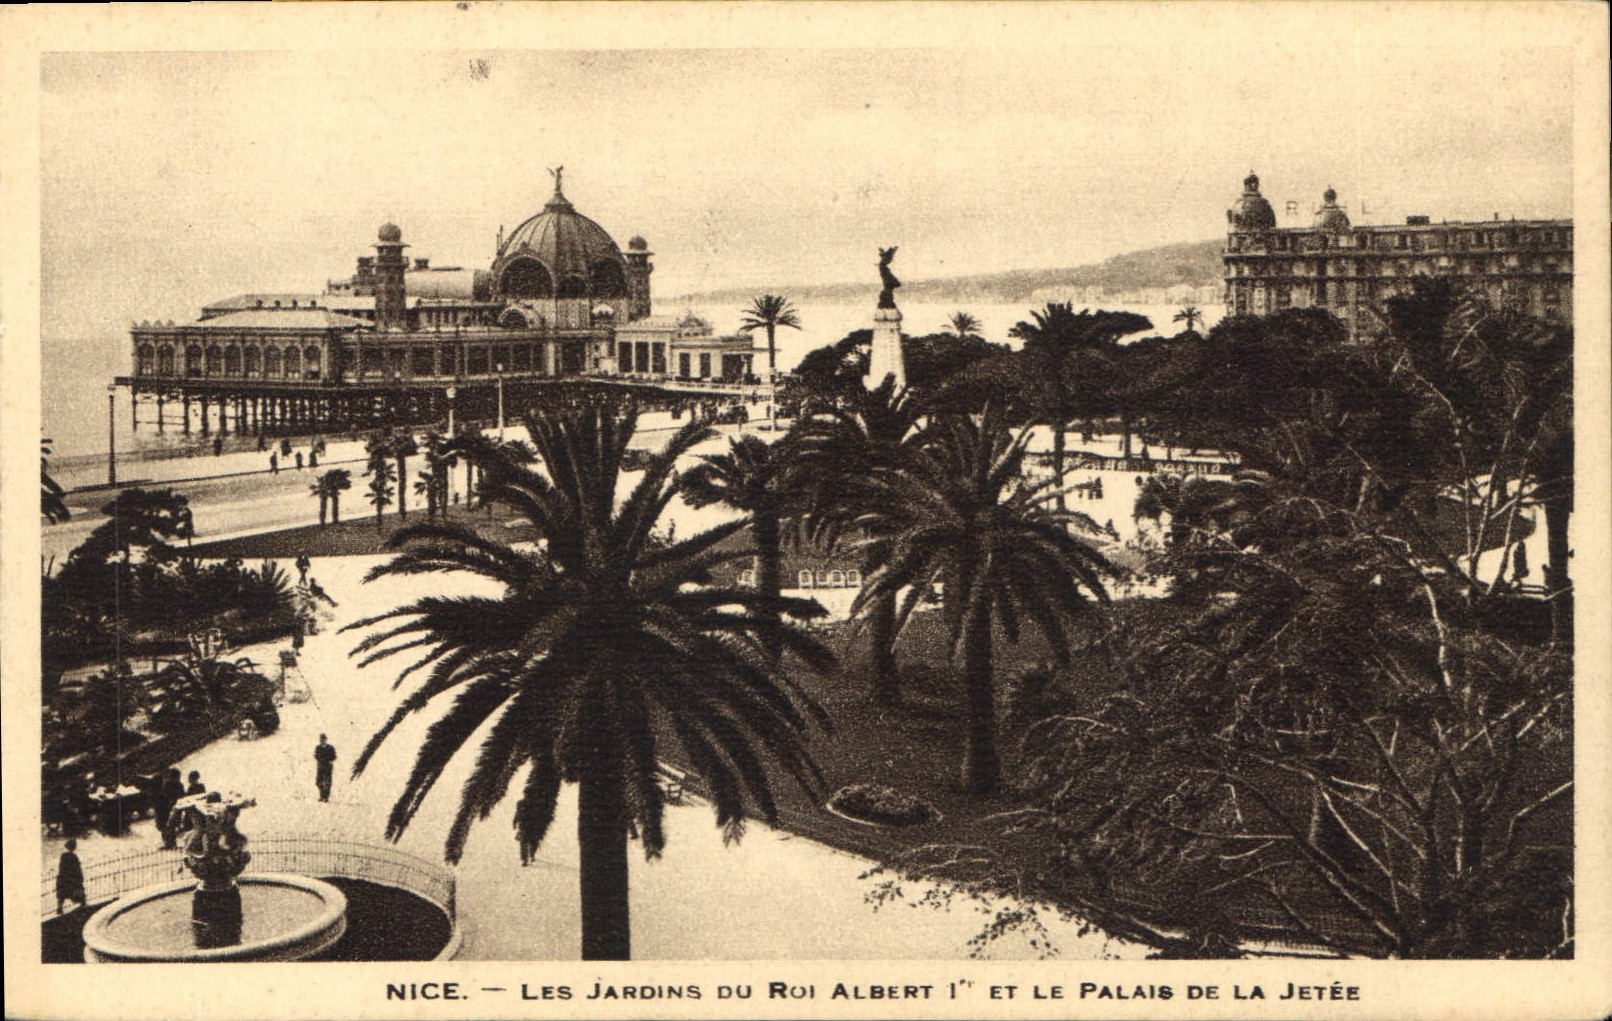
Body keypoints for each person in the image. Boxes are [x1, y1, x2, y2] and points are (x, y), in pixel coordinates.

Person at [156, 767, 185, 849]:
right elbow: (182, 796)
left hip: (167, 808)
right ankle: (171, 843)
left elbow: (163, 796)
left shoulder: (167, 784)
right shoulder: (179, 785)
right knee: (170, 826)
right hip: (175, 808)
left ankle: (169, 843)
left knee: (167, 826)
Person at [57, 839, 88, 914]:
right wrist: (80, 877)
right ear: (74, 847)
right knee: (78, 889)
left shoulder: (63, 855)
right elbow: (77, 868)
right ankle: (83, 903)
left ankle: (59, 907)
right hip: (72, 878)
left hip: (64, 877)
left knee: (63, 893)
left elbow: (61, 867)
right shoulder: (74, 856)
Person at [314, 735, 337, 803]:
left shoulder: (330, 748)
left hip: (328, 767)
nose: (322, 741)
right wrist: (321, 759)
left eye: (323, 739)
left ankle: (326, 797)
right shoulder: (318, 747)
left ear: (326, 740)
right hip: (320, 766)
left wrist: (327, 759)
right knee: (319, 782)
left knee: (327, 782)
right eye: (321, 740)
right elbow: (316, 756)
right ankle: (322, 795)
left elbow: (334, 756)